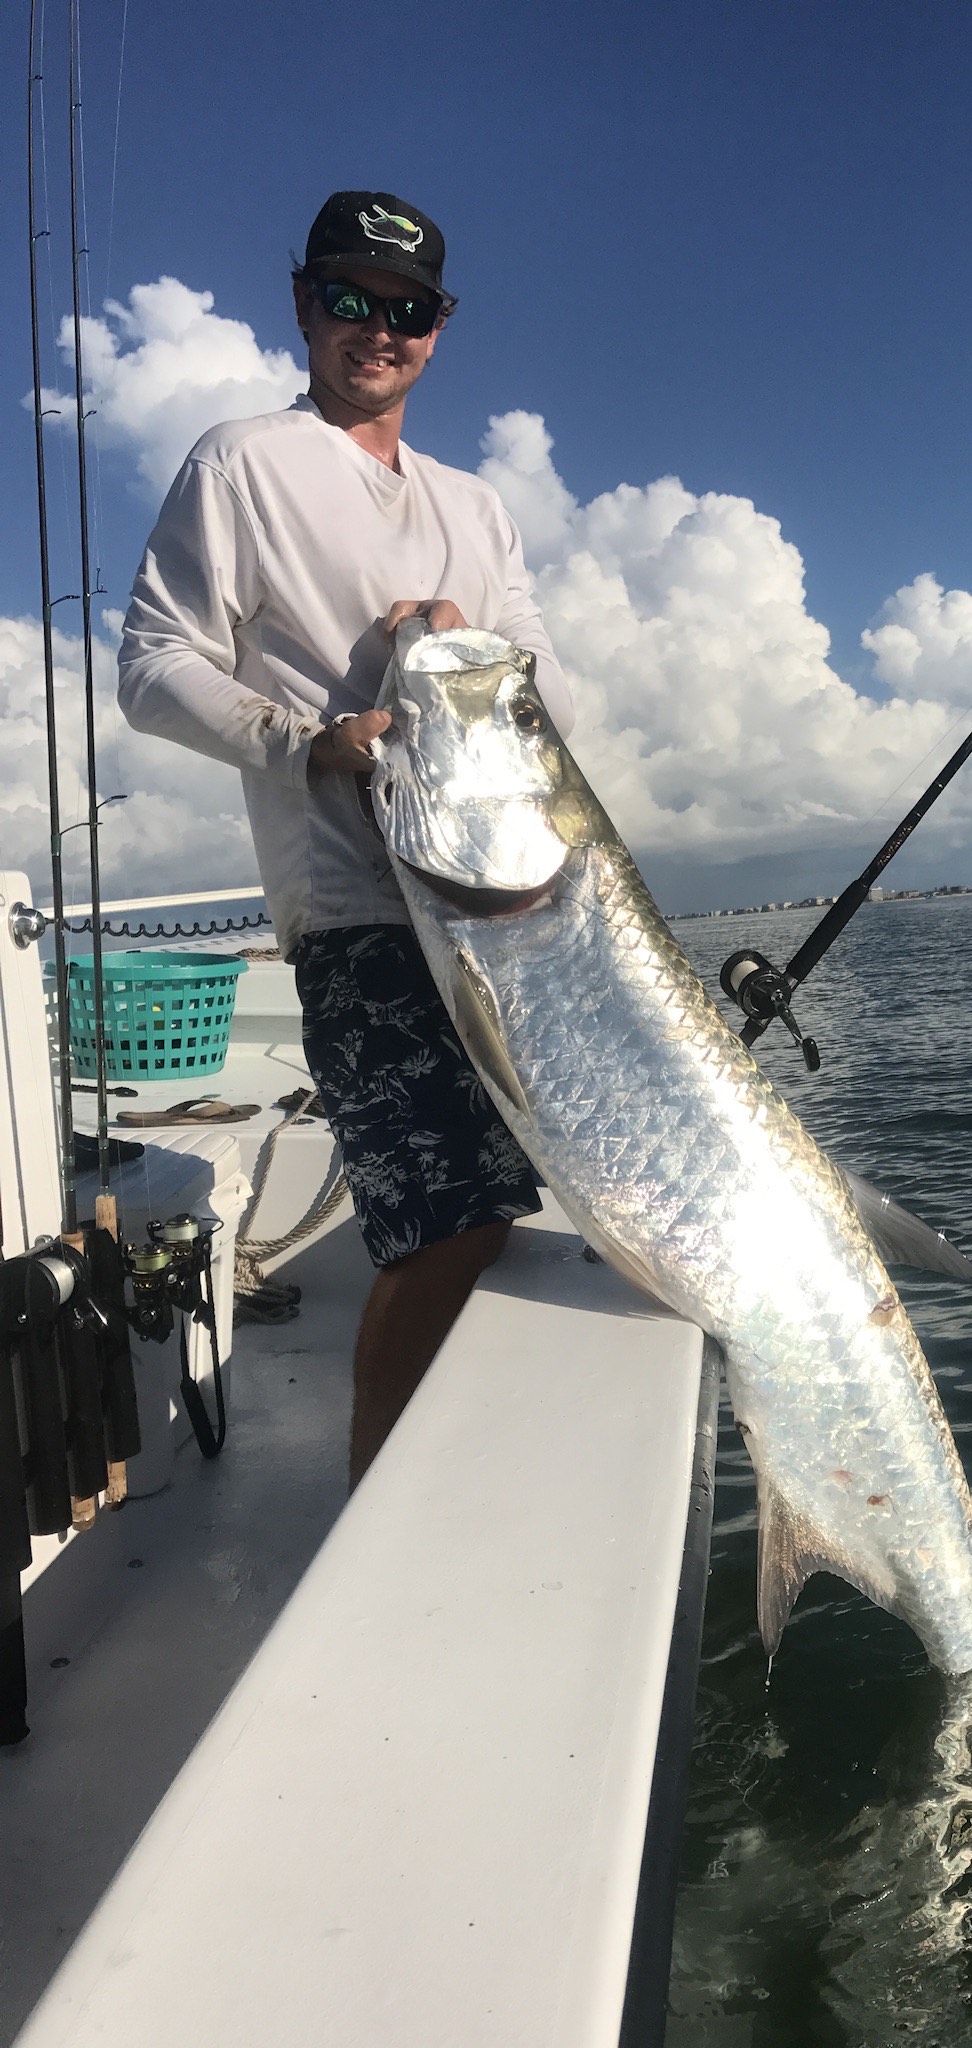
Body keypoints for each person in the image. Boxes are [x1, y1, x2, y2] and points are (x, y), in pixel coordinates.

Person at [118, 190, 574, 1486]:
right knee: (443, 1223)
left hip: (501, 910)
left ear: (440, 328)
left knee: (500, 1205)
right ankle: (381, 1499)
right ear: (304, 302)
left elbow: (548, 686)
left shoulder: (473, 508)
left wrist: (465, 647)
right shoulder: (242, 461)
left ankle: (458, 1466)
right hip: (356, 909)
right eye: (350, 299)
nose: (379, 329)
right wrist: (300, 741)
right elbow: (154, 666)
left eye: (409, 308)